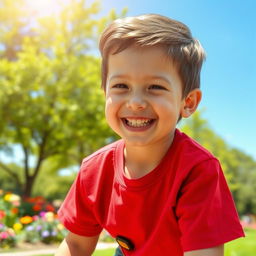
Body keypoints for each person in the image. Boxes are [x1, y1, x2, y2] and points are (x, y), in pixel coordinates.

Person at [54, 14, 245, 256]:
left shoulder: (198, 171)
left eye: (155, 87)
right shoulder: (95, 170)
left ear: (188, 102)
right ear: (105, 94)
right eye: (121, 86)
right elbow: (77, 244)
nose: (135, 102)